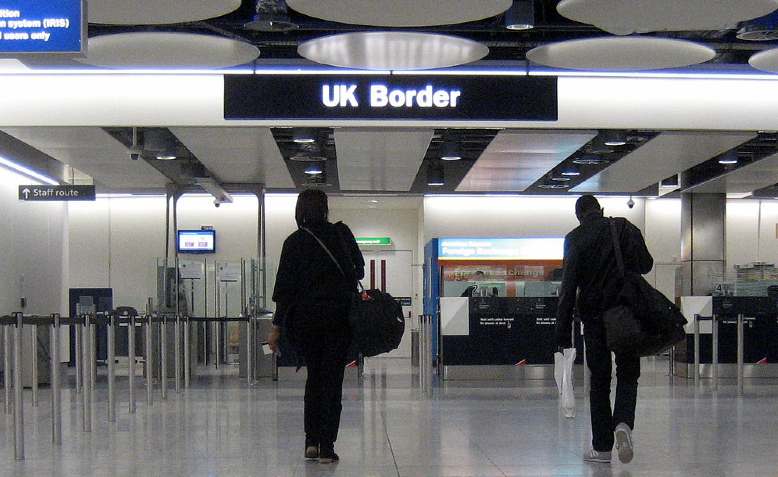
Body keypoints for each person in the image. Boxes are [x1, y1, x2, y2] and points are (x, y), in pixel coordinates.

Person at [267, 189, 364, 464]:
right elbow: (358, 271)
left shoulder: (294, 242)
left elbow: (284, 291)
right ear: (325, 209)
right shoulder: (341, 235)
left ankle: (310, 441)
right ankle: (326, 447)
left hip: (306, 322)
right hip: (338, 320)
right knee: (333, 381)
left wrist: (276, 328)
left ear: (299, 211)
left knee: (314, 379)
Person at [555, 195, 653, 465]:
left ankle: (602, 448)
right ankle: (623, 423)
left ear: (579, 216)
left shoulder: (574, 238)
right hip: (625, 314)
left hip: (594, 319)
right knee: (628, 374)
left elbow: (568, 288)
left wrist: (562, 333)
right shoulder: (624, 227)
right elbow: (647, 264)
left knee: (599, 382)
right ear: (601, 209)